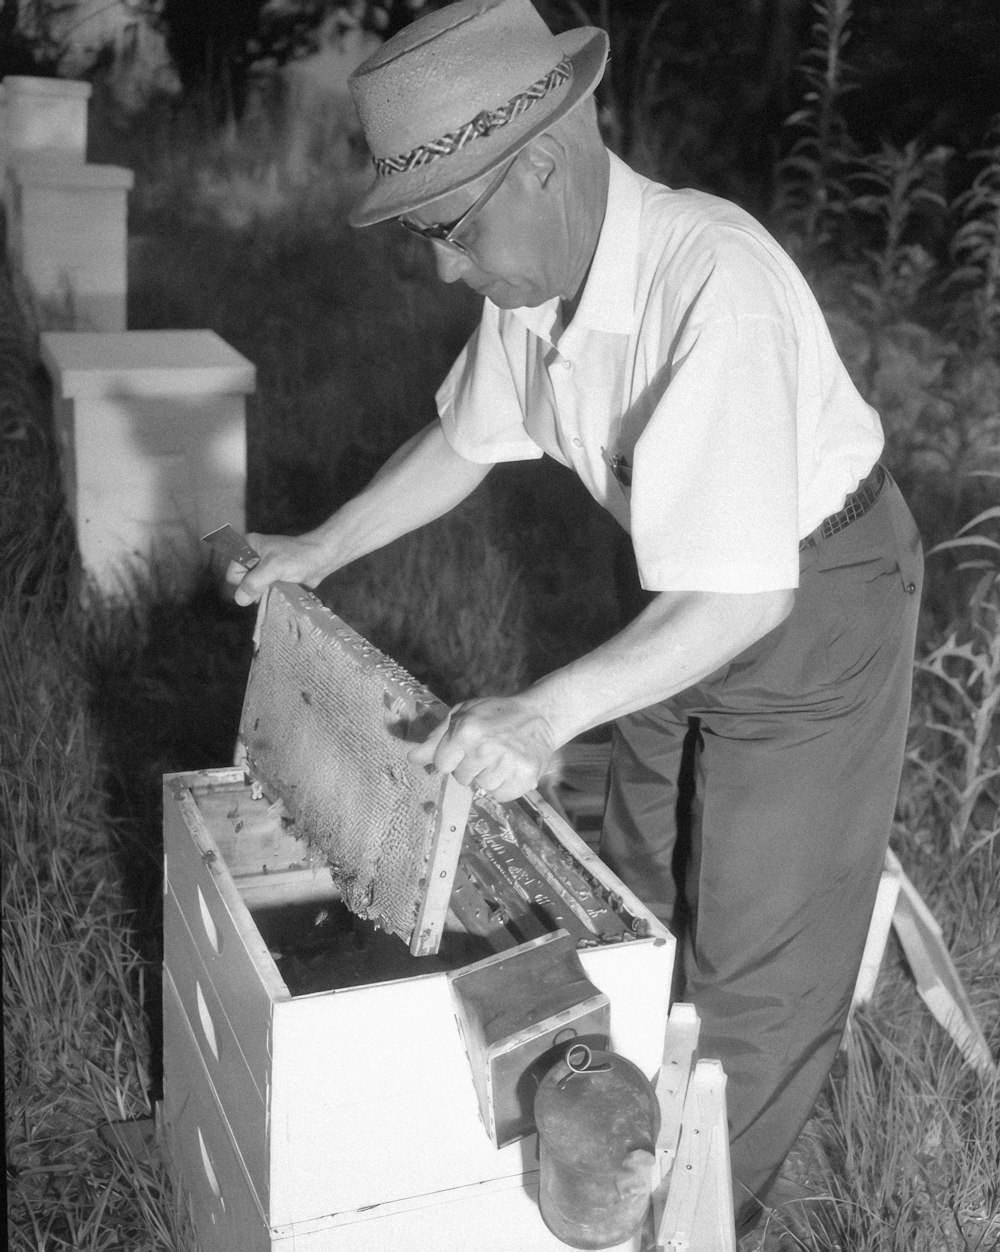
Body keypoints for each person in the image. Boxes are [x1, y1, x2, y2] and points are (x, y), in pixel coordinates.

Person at [227, 0, 923, 1238]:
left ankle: (696, 1213)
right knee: (635, 876)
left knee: (755, 962)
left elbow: (748, 593)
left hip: (812, 599)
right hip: (670, 577)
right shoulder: (533, 284)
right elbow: (462, 438)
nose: (443, 263)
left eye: (448, 226)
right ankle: (606, 1117)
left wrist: (547, 710)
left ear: (540, 161)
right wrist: (316, 548)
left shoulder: (716, 283)